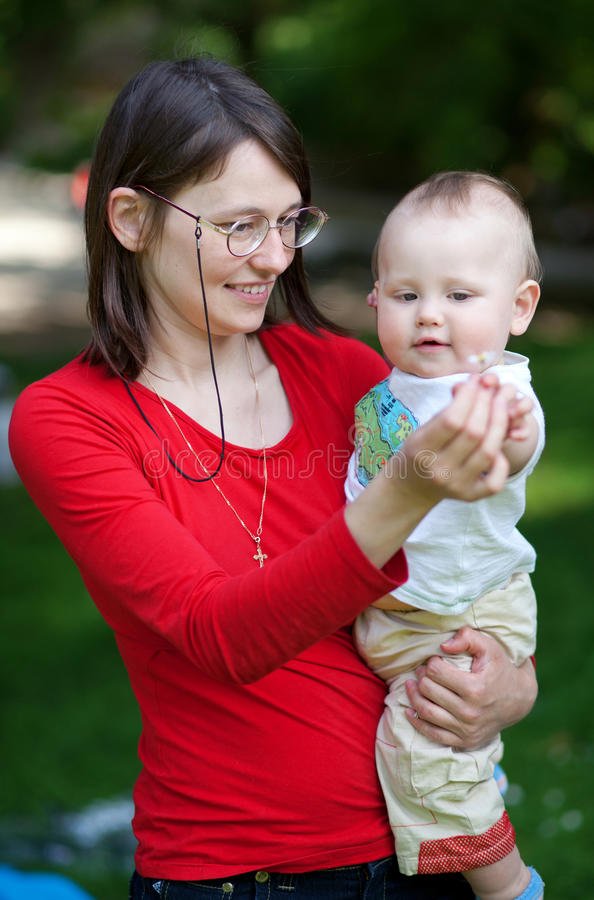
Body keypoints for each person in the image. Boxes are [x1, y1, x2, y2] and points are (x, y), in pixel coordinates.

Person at [9, 58, 538, 900]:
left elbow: (469, 560)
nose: (275, 256)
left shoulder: (347, 373)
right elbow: (221, 637)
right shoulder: (69, 420)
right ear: (132, 219)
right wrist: (407, 487)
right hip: (238, 877)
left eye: (291, 222)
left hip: (419, 855)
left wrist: (511, 684)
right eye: (240, 226)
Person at [346, 171, 545, 900]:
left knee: (421, 748)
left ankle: (508, 886)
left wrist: (500, 445)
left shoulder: (496, 392)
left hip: (462, 611)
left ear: (518, 307)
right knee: (452, 744)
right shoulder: (387, 390)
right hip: (405, 610)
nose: (430, 315)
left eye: (459, 296)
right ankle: (478, 769)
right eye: (406, 295)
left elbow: (516, 446)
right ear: (375, 299)